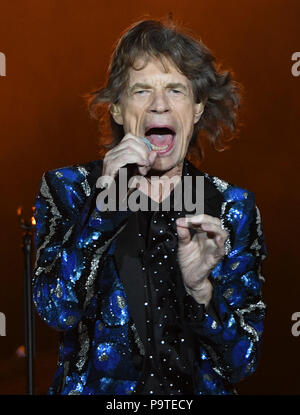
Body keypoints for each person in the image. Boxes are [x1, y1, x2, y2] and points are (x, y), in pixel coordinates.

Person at [32, 19, 267, 395]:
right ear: (118, 110)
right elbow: (55, 310)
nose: (159, 104)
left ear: (197, 107)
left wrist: (201, 290)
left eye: (175, 89)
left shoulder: (230, 206)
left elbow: (242, 363)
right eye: (141, 91)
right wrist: (104, 210)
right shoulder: (70, 190)